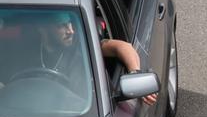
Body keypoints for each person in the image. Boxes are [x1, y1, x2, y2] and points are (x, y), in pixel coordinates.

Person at [18, 12, 158, 105]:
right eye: (62, 26)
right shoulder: (25, 51)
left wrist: (135, 73)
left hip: (75, 112)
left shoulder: (82, 45)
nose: (71, 31)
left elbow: (122, 47)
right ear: (43, 29)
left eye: (71, 24)